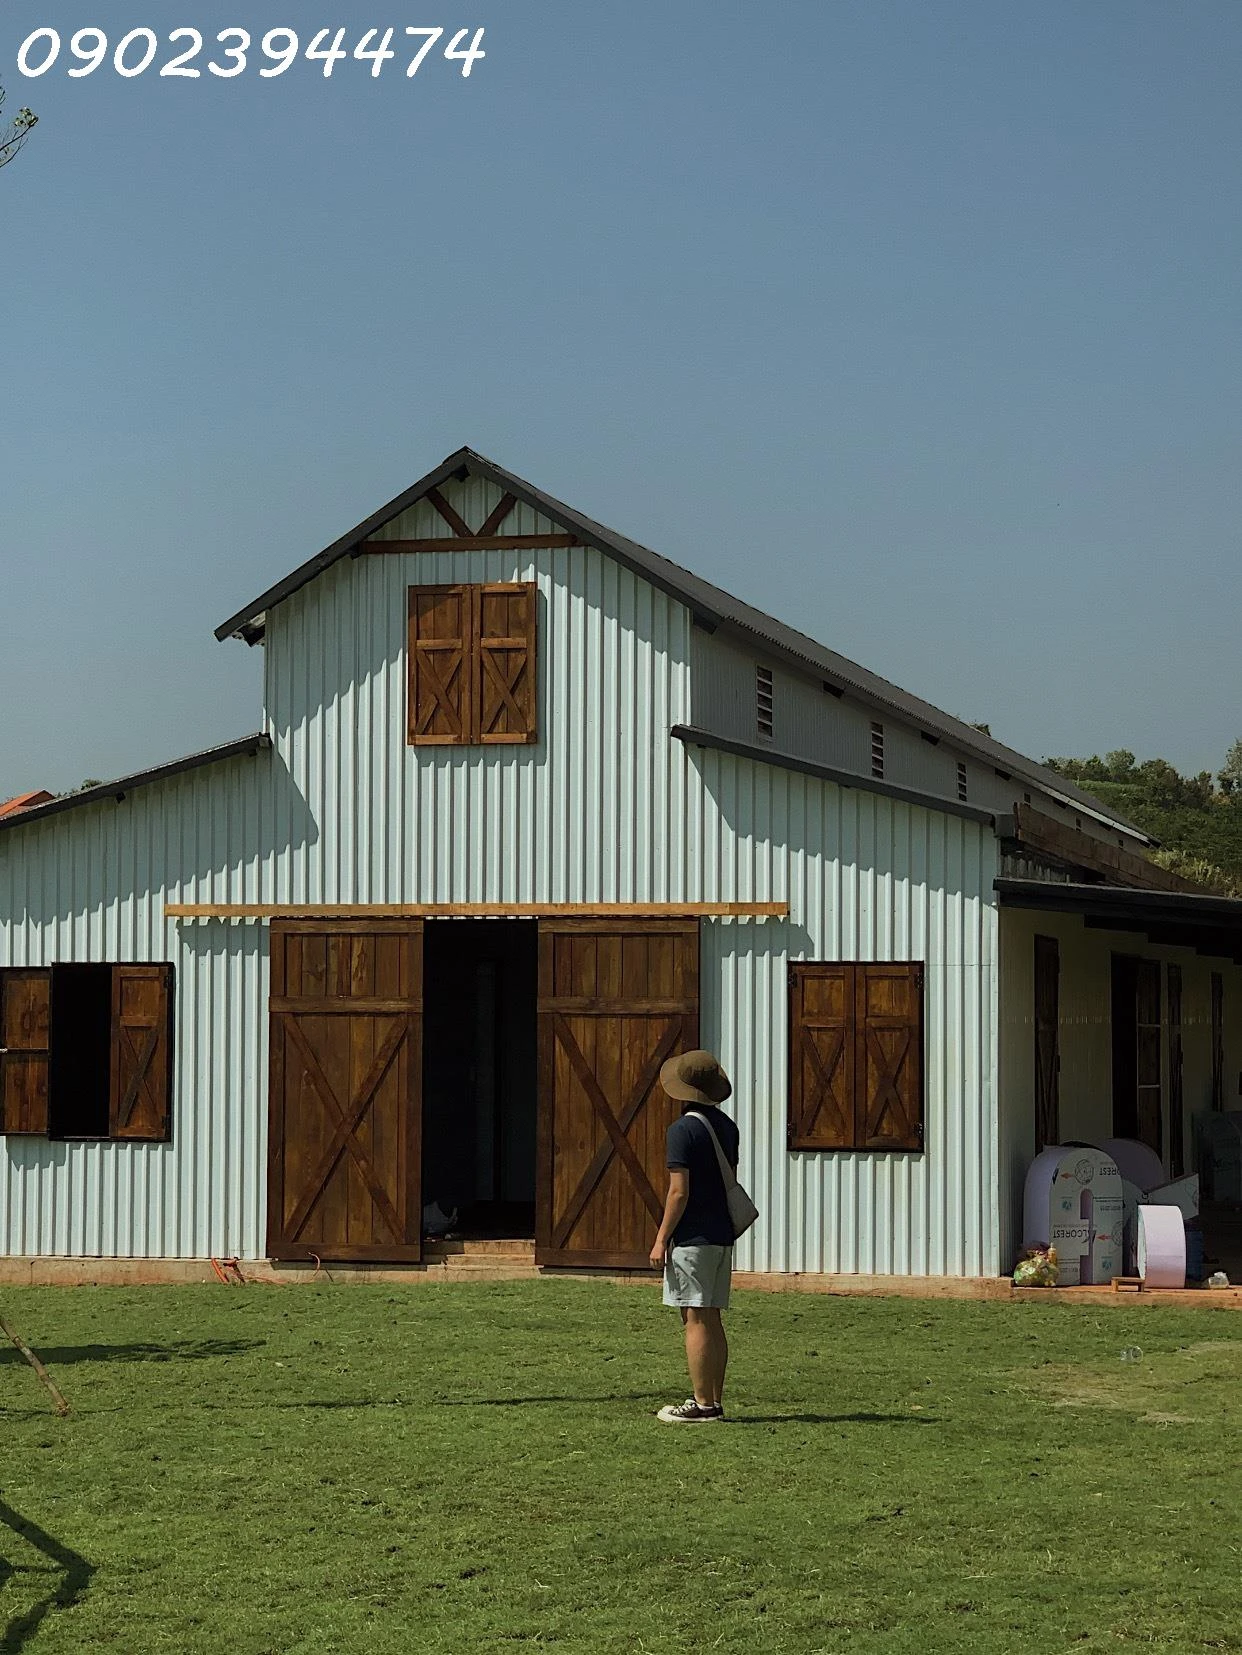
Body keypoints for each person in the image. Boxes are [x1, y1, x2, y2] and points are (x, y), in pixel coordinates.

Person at [649, 1049, 740, 1423]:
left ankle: (702, 1404)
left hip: (693, 1238)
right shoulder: (727, 1127)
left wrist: (661, 1238)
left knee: (694, 1319)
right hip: (721, 1234)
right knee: (712, 1317)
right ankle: (713, 1399)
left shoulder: (682, 1130)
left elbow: (678, 1192)